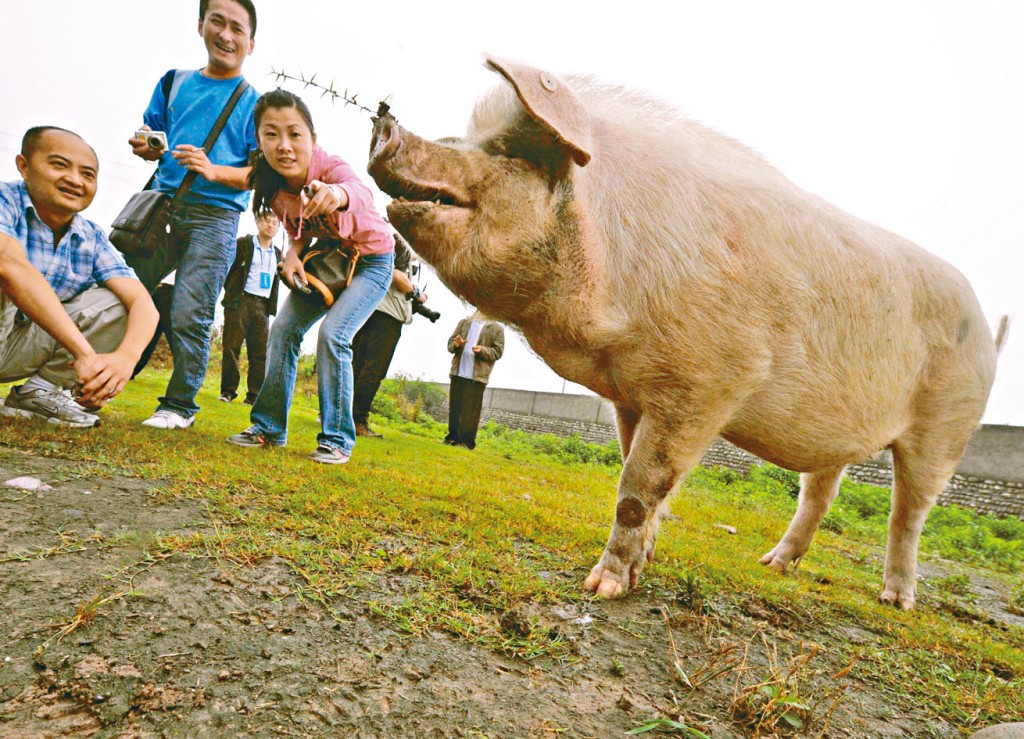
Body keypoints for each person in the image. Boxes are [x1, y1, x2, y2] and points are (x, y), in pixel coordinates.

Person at [226, 89, 394, 464]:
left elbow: (361, 193)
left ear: (312, 139)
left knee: (335, 334)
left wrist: (336, 194)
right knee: (283, 330)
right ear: (260, 140)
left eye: (294, 133)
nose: (284, 145)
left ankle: (337, 439)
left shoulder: (329, 166)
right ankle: (269, 428)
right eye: (271, 134)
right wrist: (292, 255)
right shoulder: (272, 184)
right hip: (329, 261)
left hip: (373, 261)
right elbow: (298, 229)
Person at [127, 0, 261, 430]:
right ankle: (86, 381)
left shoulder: (255, 104)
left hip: (216, 218)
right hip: (160, 207)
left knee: (191, 311)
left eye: (237, 28)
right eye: (217, 22)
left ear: (251, 44)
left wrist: (212, 168)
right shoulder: (173, 82)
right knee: (121, 292)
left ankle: (178, 406)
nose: (226, 35)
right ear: (200, 24)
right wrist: (146, 141)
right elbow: (147, 130)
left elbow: (261, 175)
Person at [0, 127, 158, 427]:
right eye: (59, 165)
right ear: (24, 166)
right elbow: (8, 263)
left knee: (118, 302)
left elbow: (142, 302)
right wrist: (84, 353)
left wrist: (126, 358)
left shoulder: (91, 236)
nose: (74, 180)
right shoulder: (5, 201)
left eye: (87, 174)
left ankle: (40, 392)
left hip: (14, 347)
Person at [350, 231, 427, 438]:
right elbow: (395, 275)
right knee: (373, 370)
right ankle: (357, 420)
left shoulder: (385, 239)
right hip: (387, 314)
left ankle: (342, 415)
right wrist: (418, 294)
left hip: (368, 307)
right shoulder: (400, 243)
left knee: (356, 364)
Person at [219, 209, 281, 404]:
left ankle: (254, 395)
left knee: (260, 353)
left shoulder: (278, 253)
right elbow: (227, 269)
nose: (270, 225)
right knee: (231, 347)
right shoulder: (243, 244)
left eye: (275, 222)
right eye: (266, 221)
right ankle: (228, 391)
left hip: (263, 306)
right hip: (241, 301)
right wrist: (232, 293)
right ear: (257, 222)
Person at [445, 310, 504, 449]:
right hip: (458, 371)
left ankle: (466, 442)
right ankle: (452, 438)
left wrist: (482, 350)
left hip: (477, 376)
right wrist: (457, 344)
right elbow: (450, 344)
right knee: (455, 407)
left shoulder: (497, 328)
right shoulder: (464, 323)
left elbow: (498, 352)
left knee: (471, 411)